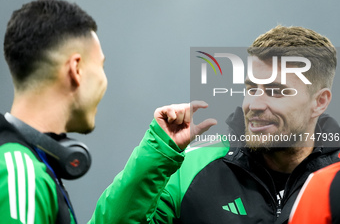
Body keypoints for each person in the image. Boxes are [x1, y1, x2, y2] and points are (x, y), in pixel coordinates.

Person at [88, 25, 340, 224]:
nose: (255, 104)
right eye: (251, 88)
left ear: (319, 102)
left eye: (275, 91)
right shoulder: (190, 168)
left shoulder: (335, 178)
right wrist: (159, 151)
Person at [1, 0, 107, 223]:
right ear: (76, 69)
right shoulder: (21, 174)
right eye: (101, 66)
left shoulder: (19, 164)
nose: (105, 80)